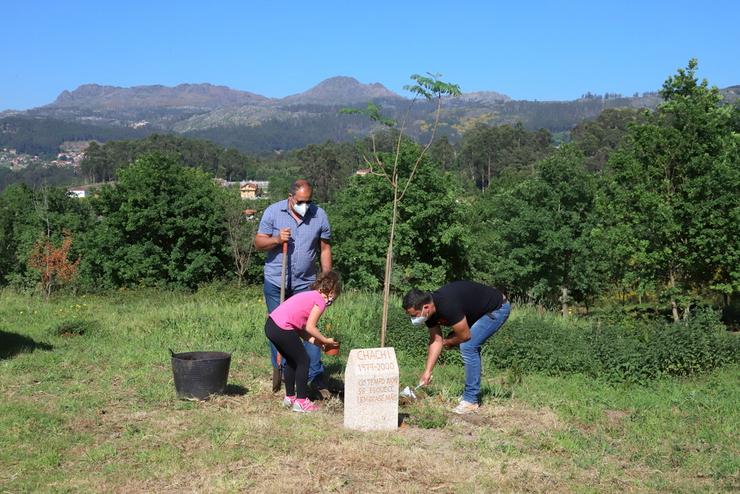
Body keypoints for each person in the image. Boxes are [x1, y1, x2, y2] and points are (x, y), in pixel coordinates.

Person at [254, 179, 332, 396]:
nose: (305, 206)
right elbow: (259, 243)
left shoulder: (319, 215)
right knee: (279, 327)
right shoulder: (272, 212)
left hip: (306, 283)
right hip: (276, 281)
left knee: (309, 327)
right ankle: (280, 370)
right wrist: (278, 239)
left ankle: (315, 376)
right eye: (300, 201)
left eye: (308, 201)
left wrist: (327, 280)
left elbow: (325, 248)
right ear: (290, 198)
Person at [402, 281, 511, 415]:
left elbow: (465, 336)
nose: (413, 319)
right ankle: (470, 395)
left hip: (497, 308)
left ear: (426, 307)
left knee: (468, 346)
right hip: (477, 311)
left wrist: (449, 342)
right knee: (466, 343)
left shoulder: (447, 305)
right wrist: (427, 372)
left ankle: (471, 401)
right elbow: (436, 340)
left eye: (414, 315)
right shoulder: (429, 312)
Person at [265, 271, 341, 412]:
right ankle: (301, 401)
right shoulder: (320, 301)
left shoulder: (309, 296)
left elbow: (301, 331)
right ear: (332, 292)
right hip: (282, 327)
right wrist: (326, 340)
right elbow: (311, 327)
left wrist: (320, 344)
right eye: (334, 297)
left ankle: (290, 397)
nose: (332, 301)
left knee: (292, 360)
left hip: (271, 326)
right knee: (304, 361)